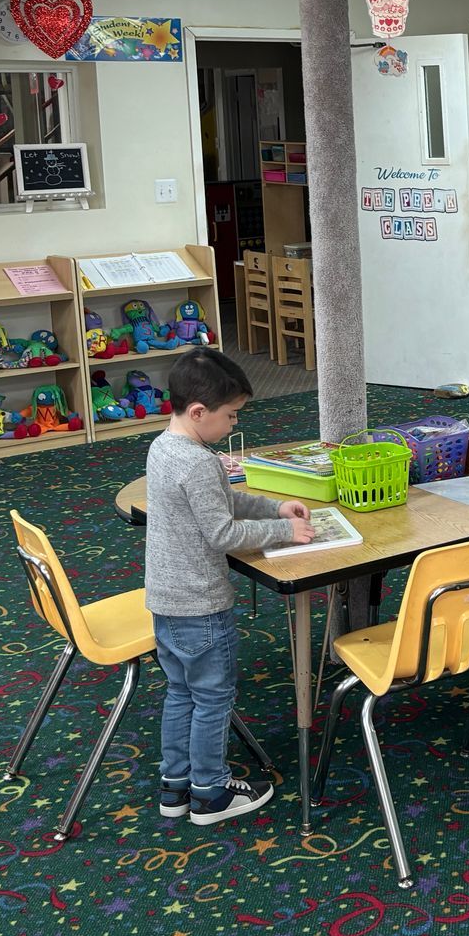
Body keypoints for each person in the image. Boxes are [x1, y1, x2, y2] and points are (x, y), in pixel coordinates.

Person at [144, 348, 313, 824]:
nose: (234, 425)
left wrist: (273, 507)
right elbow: (221, 533)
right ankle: (211, 794)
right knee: (213, 698)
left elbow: (219, 502)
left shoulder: (165, 446)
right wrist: (286, 532)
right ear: (198, 412)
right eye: (231, 416)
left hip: (166, 599)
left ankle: (176, 786)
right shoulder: (197, 462)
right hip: (201, 604)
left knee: (181, 693)